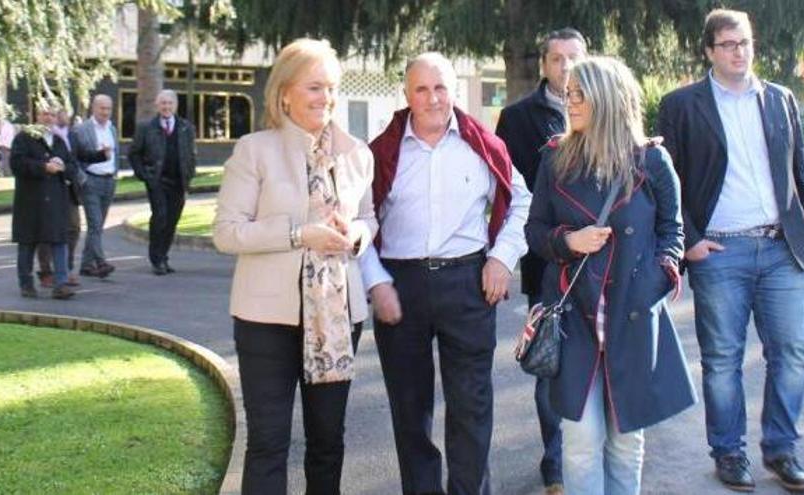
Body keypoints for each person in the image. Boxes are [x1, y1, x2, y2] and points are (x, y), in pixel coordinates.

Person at [658, 9, 804, 492]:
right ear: (709, 50)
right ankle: (729, 453)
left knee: (792, 352)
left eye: (745, 42)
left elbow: (801, 170)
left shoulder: (780, 99)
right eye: (729, 44)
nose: (740, 51)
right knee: (723, 358)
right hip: (720, 254)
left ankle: (781, 449)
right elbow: (668, 182)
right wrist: (688, 240)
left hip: (781, 248)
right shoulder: (682, 105)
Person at [361, 52, 531, 495]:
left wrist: (501, 258)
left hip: (468, 284)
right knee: (409, 409)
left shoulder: (483, 146)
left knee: (471, 408)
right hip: (401, 286)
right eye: (422, 89)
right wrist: (375, 280)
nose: (433, 98)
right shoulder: (382, 152)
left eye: (440, 88)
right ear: (406, 94)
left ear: (453, 91)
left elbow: (521, 203)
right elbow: (361, 222)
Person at [212, 38, 377, 495]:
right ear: (284, 92)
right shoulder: (254, 150)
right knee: (268, 443)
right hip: (267, 321)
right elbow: (226, 232)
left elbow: (368, 217)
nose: (326, 98)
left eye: (331, 88)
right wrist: (298, 234)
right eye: (314, 87)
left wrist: (358, 235)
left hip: (337, 318)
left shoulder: (357, 153)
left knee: (328, 443)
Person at [525, 57, 696, 495]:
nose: (571, 102)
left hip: (632, 315)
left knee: (626, 440)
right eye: (569, 93)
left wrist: (658, 278)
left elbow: (671, 231)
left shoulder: (652, 160)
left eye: (580, 94)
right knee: (581, 441)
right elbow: (536, 231)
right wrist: (569, 241)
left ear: (607, 98)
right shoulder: (555, 159)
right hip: (575, 315)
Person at [495, 28, 586, 495]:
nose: (566, 65)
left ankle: (593, 455)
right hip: (546, 262)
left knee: (598, 362)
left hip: (600, 265)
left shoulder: (605, 111)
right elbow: (506, 193)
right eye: (557, 58)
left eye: (574, 57)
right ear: (544, 65)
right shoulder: (517, 118)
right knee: (551, 358)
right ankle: (555, 462)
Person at [10, 105, 78, 300]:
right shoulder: (23, 138)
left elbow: (72, 166)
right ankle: (26, 283)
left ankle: (61, 284)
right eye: (45, 114)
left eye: (53, 114)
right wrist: (43, 167)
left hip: (56, 199)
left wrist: (63, 166)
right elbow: (17, 164)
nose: (49, 118)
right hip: (31, 200)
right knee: (27, 243)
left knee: (59, 242)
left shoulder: (59, 141)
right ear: (36, 115)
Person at [129, 89, 196, 275]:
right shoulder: (146, 127)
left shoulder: (186, 127)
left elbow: (191, 155)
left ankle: (164, 257)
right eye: (163, 103)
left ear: (175, 106)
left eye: (170, 103)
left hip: (178, 182)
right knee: (160, 217)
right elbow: (134, 153)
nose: (166, 107)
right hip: (157, 180)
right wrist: (144, 175)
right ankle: (156, 259)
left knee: (172, 221)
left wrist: (189, 178)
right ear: (157, 106)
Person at [36, 108, 84, 288]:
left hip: (69, 190)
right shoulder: (37, 137)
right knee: (46, 232)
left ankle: (66, 268)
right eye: (47, 114)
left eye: (57, 114)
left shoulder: (71, 135)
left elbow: (76, 160)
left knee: (73, 228)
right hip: (47, 192)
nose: (54, 117)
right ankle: (46, 272)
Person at [72, 94, 118, 279]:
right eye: (102, 108)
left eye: (108, 108)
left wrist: (115, 174)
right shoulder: (81, 130)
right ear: (93, 108)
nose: (105, 112)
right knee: (95, 224)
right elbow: (74, 158)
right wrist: (82, 178)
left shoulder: (112, 129)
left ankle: (85, 265)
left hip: (109, 180)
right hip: (91, 180)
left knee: (98, 226)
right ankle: (100, 262)